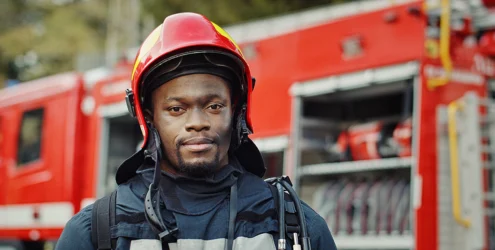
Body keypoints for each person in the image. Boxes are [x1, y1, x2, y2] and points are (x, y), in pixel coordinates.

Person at [55, 12, 337, 250]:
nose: (197, 122)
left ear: (236, 110)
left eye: (214, 106)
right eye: (177, 109)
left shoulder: (296, 227)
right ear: (149, 117)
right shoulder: (94, 232)